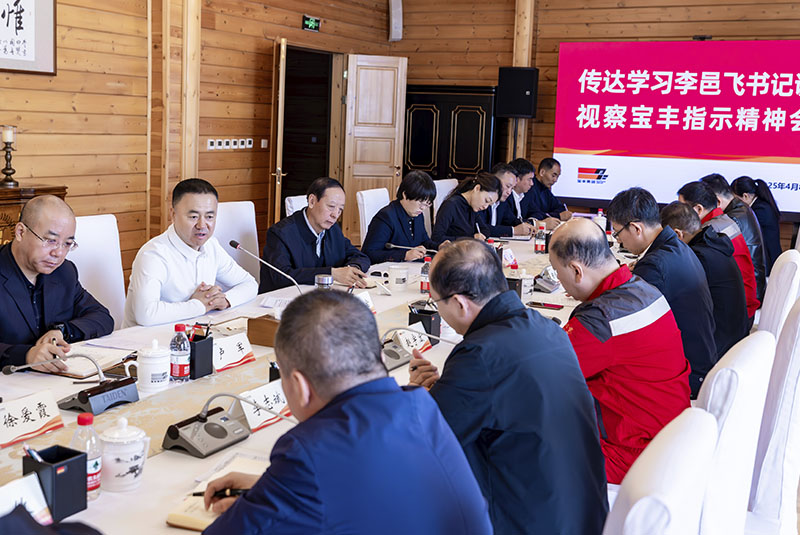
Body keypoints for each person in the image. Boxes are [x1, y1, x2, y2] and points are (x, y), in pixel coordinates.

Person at [203, 291, 492, 534]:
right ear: (380, 357)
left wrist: (277, 489)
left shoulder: (306, 452)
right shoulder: (420, 405)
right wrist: (270, 487)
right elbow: (381, 489)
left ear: (299, 386)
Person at [409, 240, 608, 534]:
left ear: (460, 303)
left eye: (436, 302)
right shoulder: (547, 327)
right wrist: (450, 389)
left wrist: (419, 395)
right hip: (582, 511)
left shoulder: (479, 355)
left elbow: (426, 441)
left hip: (528, 521)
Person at [549, 218, 690, 484]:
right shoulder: (644, 290)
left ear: (577, 271)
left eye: (557, 271)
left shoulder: (600, 322)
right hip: (667, 437)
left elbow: (539, 375)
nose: (558, 279)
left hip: (631, 456)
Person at [607, 187, 716, 397]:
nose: (618, 241)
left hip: (687, 374)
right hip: (702, 359)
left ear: (636, 228)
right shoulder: (676, 245)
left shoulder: (654, 265)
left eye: (618, 233)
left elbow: (626, 322)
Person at [0, 195, 114, 371]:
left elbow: (102, 317)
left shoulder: (64, 272)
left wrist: (62, 331)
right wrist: (26, 356)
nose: (58, 253)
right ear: (21, 232)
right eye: (50, 240)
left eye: (67, 244)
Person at [124, 179, 258, 327]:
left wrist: (224, 300)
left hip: (195, 334)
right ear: (173, 214)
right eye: (193, 217)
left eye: (209, 217)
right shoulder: (153, 254)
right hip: (147, 339)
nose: (202, 225)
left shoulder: (211, 246)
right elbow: (146, 314)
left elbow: (249, 284)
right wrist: (199, 305)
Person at [661, 202, 749, 359]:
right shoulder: (712, 243)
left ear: (677, 234)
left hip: (718, 346)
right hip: (734, 335)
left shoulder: (699, 257)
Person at [259, 177, 370, 293]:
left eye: (340, 209)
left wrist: (351, 271)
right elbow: (281, 277)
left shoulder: (333, 229)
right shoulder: (280, 233)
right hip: (283, 299)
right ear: (312, 201)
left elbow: (360, 257)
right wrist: (331, 274)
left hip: (320, 297)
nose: (335, 215)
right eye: (331, 206)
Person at [677, 181, 759, 320]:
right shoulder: (724, 220)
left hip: (736, 313)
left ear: (698, 209)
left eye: (682, 208)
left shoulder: (710, 232)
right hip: (743, 303)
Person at [700, 173, 767, 302]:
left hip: (748, 295)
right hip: (754, 287)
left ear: (717, 201)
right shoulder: (742, 208)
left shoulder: (731, 219)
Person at [361, 170, 438, 263]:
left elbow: (424, 241)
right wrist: (404, 255)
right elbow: (369, 253)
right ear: (405, 195)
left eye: (427, 204)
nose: (423, 208)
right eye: (421, 202)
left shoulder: (417, 214)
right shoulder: (386, 217)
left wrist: (439, 247)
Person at [430, 172, 502, 245]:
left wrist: (478, 236)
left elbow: (485, 230)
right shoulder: (451, 205)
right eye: (486, 201)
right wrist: (471, 238)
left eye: (489, 205)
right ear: (477, 188)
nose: (485, 207)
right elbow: (436, 238)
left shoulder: (472, 207)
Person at [732, 175, 782, 274]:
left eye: (735, 199)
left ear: (745, 196)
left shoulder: (760, 210)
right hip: (767, 259)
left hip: (768, 263)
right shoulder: (761, 205)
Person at [478, 163, 534, 237]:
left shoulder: (502, 203)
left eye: (512, 188)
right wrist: (513, 230)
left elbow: (512, 221)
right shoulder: (481, 200)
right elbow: (482, 228)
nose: (509, 192)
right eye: (508, 186)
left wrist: (528, 226)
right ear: (495, 181)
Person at [523, 157, 573, 230]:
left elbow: (560, 208)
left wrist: (552, 215)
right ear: (542, 172)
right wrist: (557, 216)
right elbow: (534, 214)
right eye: (553, 175)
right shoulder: (529, 188)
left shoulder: (545, 189)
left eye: (557, 176)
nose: (555, 180)